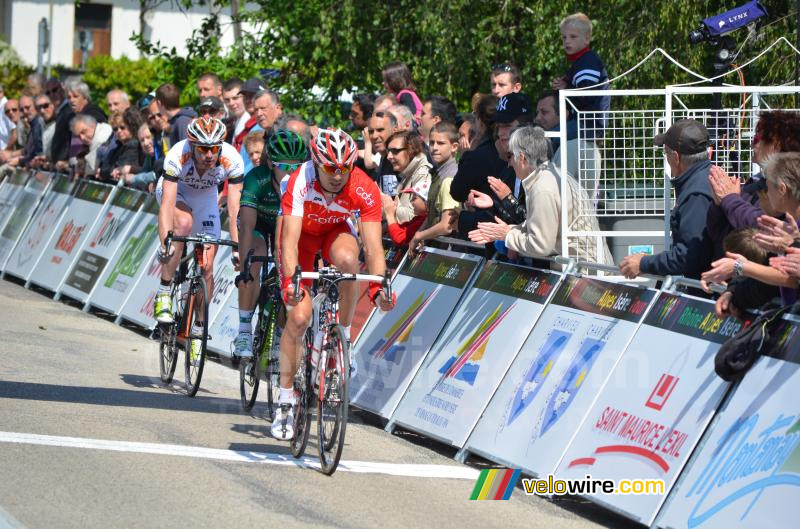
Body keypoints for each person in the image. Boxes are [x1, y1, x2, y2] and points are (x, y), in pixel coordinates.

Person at [273, 128, 395, 440]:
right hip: (300, 239)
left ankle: (343, 336)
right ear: (316, 162)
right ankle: (286, 399)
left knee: (349, 262)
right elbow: (288, 243)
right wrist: (291, 282)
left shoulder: (363, 187)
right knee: (298, 318)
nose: (338, 175)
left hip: (333, 232)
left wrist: (379, 287)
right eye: (330, 168)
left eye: (344, 168)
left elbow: (374, 249)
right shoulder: (300, 180)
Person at [153, 117, 245, 369]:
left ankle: (198, 329)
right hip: (177, 192)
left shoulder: (232, 159)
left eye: (214, 148)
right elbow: (167, 205)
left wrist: (237, 246)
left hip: (206, 198)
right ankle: (163, 292)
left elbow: (235, 208)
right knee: (181, 225)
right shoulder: (177, 155)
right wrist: (166, 243)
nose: (208, 154)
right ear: (192, 146)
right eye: (203, 149)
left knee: (207, 267)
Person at [469, 126, 611, 265]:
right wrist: (507, 231)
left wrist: (507, 235)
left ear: (522, 158)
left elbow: (540, 244)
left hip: (586, 271)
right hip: (587, 266)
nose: (509, 163)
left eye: (510, 155)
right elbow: (539, 228)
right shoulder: (549, 175)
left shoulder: (543, 187)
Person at [233, 129, 308, 357]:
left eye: (295, 166)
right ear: (270, 163)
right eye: (284, 167)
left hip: (285, 226)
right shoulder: (257, 178)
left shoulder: (305, 180)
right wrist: (246, 265)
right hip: (257, 224)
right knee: (254, 262)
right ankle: (244, 331)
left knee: (289, 273)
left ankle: (279, 335)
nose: (290, 172)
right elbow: (246, 226)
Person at [620, 119, 716, 280]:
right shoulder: (705, 179)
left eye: (666, 153)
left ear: (676, 157)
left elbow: (688, 256)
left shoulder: (696, 193)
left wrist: (643, 263)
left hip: (705, 294)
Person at [552, 12, 610, 138]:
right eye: (564, 37)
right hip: (583, 123)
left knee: (550, 138)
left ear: (587, 39)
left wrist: (565, 89)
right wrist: (564, 84)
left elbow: (586, 94)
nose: (567, 41)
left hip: (590, 125)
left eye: (573, 37)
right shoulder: (580, 62)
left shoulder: (588, 61)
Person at [409, 121, 460, 254]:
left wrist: (419, 236)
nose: (434, 148)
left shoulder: (450, 177)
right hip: (435, 246)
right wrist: (420, 233)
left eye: (441, 143)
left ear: (454, 147)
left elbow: (446, 225)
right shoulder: (438, 173)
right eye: (431, 143)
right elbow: (433, 213)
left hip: (448, 250)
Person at [382, 131, 432, 247]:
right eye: (388, 151)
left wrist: (388, 207)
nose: (389, 156)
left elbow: (413, 217)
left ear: (411, 150)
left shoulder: (423, 173)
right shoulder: (408, 173)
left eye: (395, 151)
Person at [70, 113, 113, 178]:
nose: (82, 138)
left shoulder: (100, 138)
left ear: (93, 125)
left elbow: (92, 169)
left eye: (84, 132)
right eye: (78, 136)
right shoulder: (103, 128)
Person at [155, 82, 197, 147]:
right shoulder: (172, 122)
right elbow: (168, 151)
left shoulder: (182, 121)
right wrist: (166, 133)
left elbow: (187, 151)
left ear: (159, 103)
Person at [223, 78, 249, 142]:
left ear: (245, 96)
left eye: (235, 98)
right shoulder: (233, 122)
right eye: (227, 100)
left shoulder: (251, 120)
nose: (231, 103)